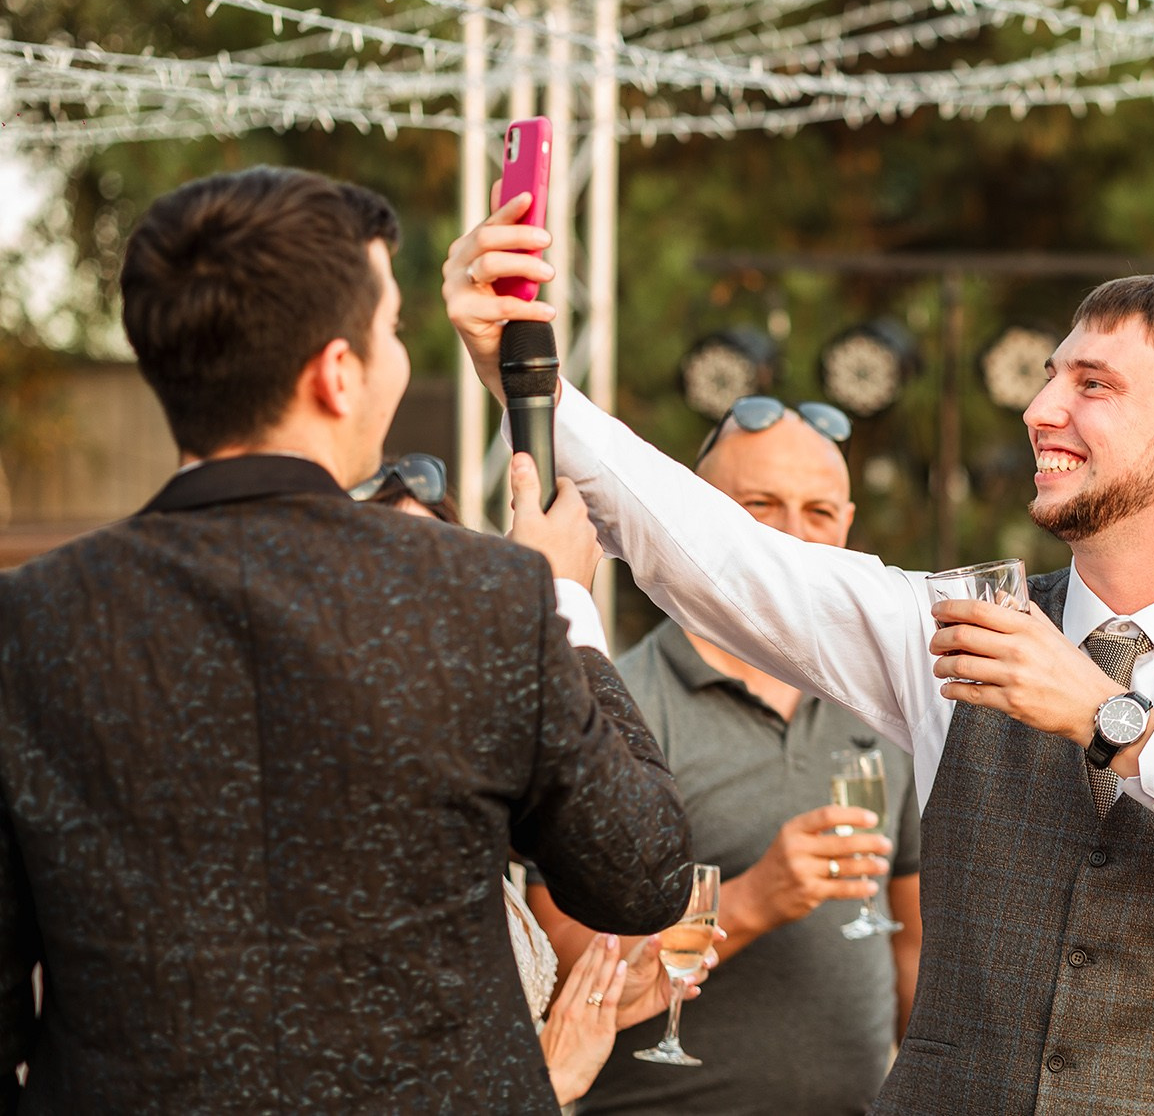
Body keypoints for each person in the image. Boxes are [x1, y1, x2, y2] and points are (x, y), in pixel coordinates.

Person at [446, 201, 1154, 1116]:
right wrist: (522, 372)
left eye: (1091, 385)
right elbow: (727, 557)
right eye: (1048, 376)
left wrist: (1109, 718)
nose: (1040, 409)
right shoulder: (954, 625)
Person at [0, 167, 693, 1114]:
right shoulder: (486, 600)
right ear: (336, 371)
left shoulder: (27, 624)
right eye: (395, 329)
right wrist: (567, 604)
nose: (401, 357)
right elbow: (644, 872)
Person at [528, 396, 924, 1116]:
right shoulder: (622, 701)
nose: (792, 537)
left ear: (849, 522)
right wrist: (749, 900)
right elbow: (552, 955)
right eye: (759, 505)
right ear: (697, 515)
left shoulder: (886, 702)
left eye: (819, 511)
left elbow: (913, 946)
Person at [353, 454, 707, 1107]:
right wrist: (545, 1080)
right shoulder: (357, 821)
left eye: (450, 572)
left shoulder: (459, 789)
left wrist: (593, 1004)